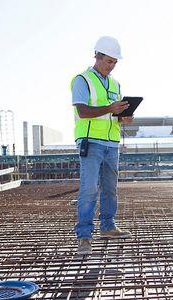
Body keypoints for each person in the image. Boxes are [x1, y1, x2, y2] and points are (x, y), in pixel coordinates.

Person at [71, 36, 133, 255]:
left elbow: (114, 114)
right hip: (91, 142)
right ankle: (84, 237)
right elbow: (82, 111)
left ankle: (108, 227)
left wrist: (122, 118)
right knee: (89, 189)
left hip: (112, 143)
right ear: (97, 56)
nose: (112, 65)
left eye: (115, 62)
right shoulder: (82, 80)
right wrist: (110, 108)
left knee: (110, 189)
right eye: (109, 61)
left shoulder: (115, 84)